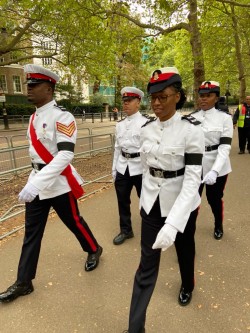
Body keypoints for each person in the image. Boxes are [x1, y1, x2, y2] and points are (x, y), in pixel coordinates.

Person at [0, 64, 102, 303]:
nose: (29, 89)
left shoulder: (62, 116)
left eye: (34, 85)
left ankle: (94, 249)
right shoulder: (34, 117)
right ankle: (24, 282)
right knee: (31, 234)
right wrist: (34, 183)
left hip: (58, 184)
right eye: (28, 85)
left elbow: (65, 155)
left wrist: (38, 184)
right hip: (36, 181)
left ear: (49, 88)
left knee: (74, 222)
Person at [123, 67, 204, 333]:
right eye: (153, 98)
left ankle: (187, 284)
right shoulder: (146, 129)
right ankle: (136, 328)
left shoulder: (191, 131)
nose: (156, 103)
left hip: (182, 205)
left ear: (178, 97)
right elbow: (146, 168)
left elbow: (193, 180)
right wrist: (144, 202)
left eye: (163, 97)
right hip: (152, 205)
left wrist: (173, 224)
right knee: (146, 266)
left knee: (184, 249)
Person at [191, 81, 233, 240]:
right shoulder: (191, 118)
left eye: (208, 95)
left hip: (218, 165)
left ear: (216, 98)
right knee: (191, 199)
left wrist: (215, 170)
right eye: (201, 95)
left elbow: (224, 147)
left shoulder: (225, 118)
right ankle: (188, 232)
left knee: (214, 199)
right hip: (195, 165)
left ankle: (218, 224)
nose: (203, 99)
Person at [112, 87, 148, 245]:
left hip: (140, 168)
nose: (126, 104)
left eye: (129, 101)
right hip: (122, 167)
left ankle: (151, 229)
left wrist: (149, 172)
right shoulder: (120, 124)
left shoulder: (146, 123)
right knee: (122, 201)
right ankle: (126, 230)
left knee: (146, 200)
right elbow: (117, 148)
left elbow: (149, 150)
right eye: (124, 101)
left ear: (138, 102)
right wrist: (114, 169)